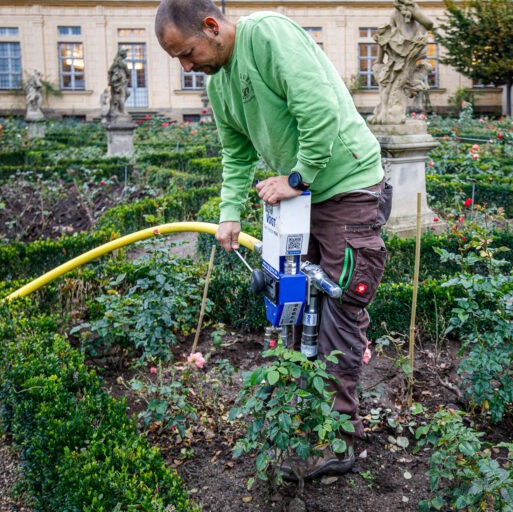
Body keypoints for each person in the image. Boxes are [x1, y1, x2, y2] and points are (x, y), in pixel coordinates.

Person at [155, 0, 392, 479]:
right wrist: (227, 214)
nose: (185, 66)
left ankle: (338, 439)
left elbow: (319, 109)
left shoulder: (268, 35)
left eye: (187, 52)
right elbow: (235, 152)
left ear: (211, 26)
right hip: (303, 198)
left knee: (340, 312)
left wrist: (297, 179)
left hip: (346, 188)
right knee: (294, 302)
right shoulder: (220, 82)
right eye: (177, 60)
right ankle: (298, 419)